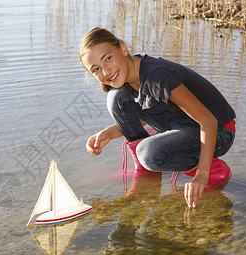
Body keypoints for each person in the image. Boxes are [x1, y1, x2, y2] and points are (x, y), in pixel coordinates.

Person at [79, 27, 236, 208]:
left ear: (123, 48)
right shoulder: (129, 76)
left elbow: (208, 121)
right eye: (96, 69)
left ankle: (213, 169)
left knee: (148, 154)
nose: (106, 72)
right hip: (184, 124)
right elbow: (152, 111)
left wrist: (202, 175)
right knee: (116, 98)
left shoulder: (157, 77)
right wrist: (110, 132)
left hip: (219, 132)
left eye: (108, 58)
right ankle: (146, 169)